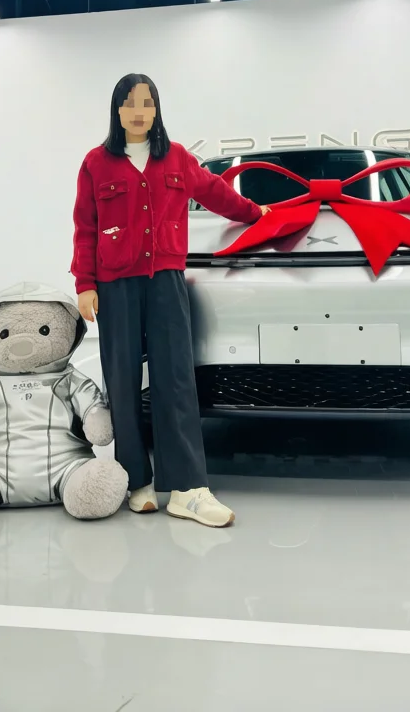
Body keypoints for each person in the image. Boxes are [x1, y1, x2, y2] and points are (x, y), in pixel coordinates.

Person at [71, 74, 268, 528]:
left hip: (166, 280)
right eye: (129, 103)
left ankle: (187, 488)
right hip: (115, 283)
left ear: (156, 109)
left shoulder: (177, 157)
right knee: (122, 380)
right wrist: (85, 283)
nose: (138, 112)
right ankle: (135, 480)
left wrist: (256, 213)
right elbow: (85, 225)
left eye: (147, 103)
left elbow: (216, 193)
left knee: (176, 378)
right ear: (117, 110)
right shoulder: (96, 163)